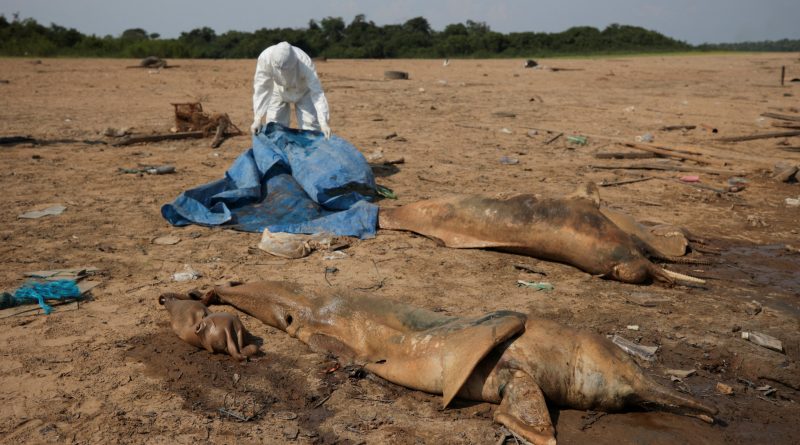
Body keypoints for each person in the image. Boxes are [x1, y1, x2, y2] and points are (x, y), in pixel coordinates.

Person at [251, 42, 331, 139]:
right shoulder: (265, 58)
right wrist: (258, 118)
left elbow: (317, 92)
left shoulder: (305, 62)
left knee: (310, 127)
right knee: (275, 126)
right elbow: (262, 87)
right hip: (278, 91)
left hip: (303, 92)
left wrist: (323, 122)